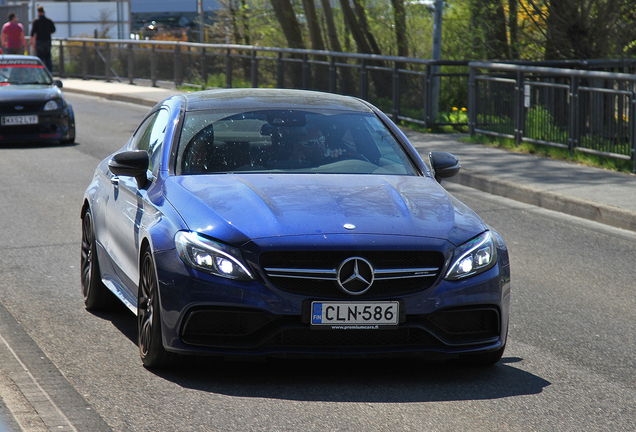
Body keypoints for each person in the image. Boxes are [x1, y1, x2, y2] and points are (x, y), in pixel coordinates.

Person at [30, 6, 56, 72]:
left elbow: (32, 33)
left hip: (39, 42)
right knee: (48, 58)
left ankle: (40, 72)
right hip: (47, 41)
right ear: (44, 12)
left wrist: (32, 43)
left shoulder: (36, 22)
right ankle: (49, 73)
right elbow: (53, 30)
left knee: (40, 58)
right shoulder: (49, 21)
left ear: (38, 12)